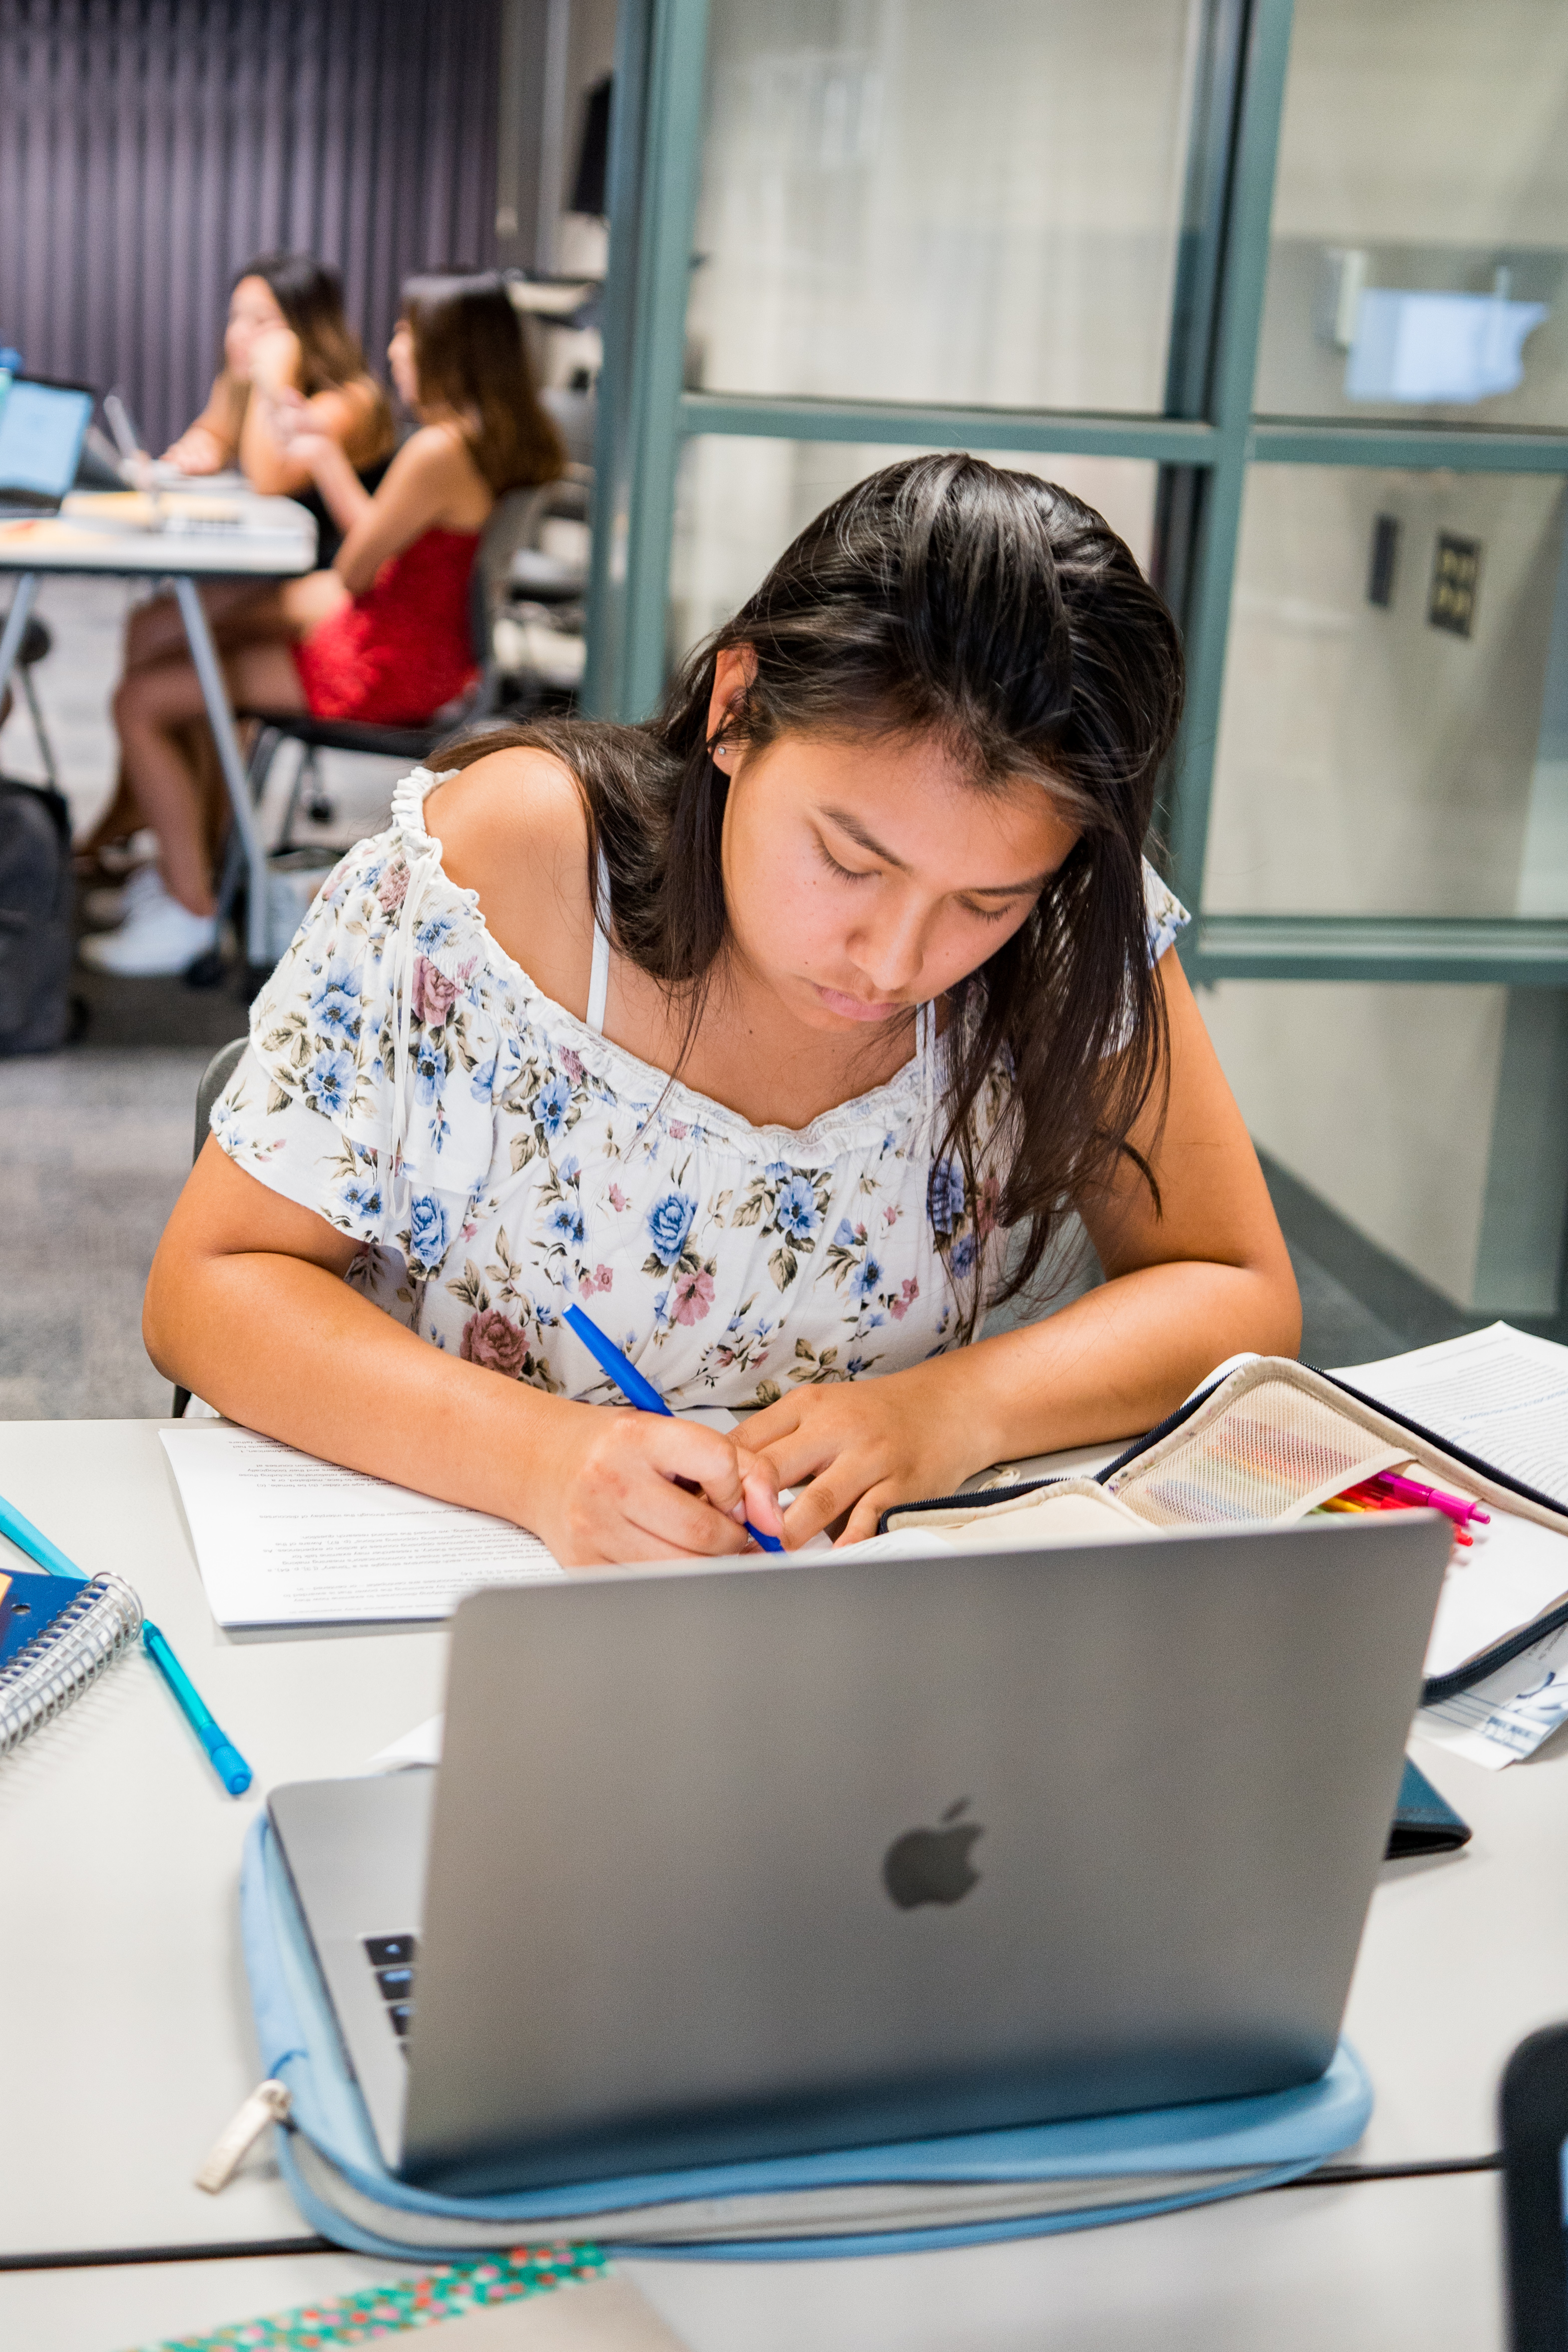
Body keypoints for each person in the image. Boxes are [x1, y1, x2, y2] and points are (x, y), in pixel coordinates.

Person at [144, 455, 1301, 1566]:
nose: (895, 961)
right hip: (443, 1580)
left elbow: (1231, 1289)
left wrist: (951, 1411)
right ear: (737, 707)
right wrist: (540, 1457)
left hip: (811, 1634)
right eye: (850, 861)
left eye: (983, 901)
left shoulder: (1065, 924)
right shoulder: (512, 863)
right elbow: (209, 1288)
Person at [85, 271, 565, 977]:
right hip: (417, 642)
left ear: (448, 348)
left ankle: (188, 909)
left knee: (144, 697)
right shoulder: (490, 438)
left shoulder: (438, 449)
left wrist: (323, 459)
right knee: (184, 652)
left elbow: (355, 568)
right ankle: (189, 864)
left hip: (387, 660)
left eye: (406, 334)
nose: (395, 349)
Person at [78, 254, 396, 894]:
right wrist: (198, 448)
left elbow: (271, 472)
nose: (243, 335)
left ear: (309, 329)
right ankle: (167, 815)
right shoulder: (244, 382)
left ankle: (180, 829)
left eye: (264, 320)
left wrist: (270, 378)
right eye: (236, 318)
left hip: (329, 586)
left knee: (166, 632)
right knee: (154, 629)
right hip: (272, 574)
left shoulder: (349, 401)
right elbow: (214, 438)